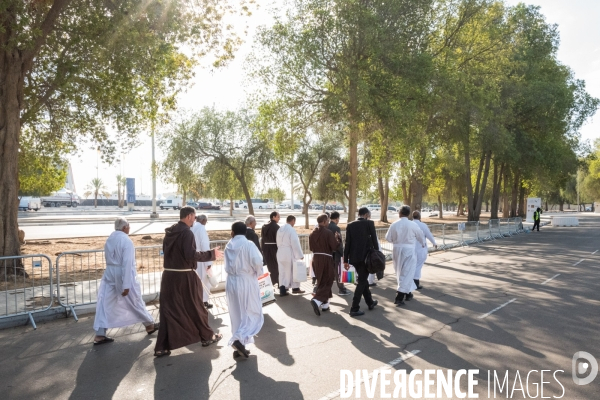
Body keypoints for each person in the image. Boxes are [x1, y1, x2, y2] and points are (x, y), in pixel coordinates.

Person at [154, 206, 223, 357]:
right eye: (194, 216)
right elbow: (190, 255)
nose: (195, 219)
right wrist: (212, 254)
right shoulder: (187, 233)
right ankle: (207, 336)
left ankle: (161, 346)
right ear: (190, 216)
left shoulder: (170, 232)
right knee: (196, 307)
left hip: (169, 276)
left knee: (168, 311)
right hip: (184, 277)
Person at [93, 218, 158, 345]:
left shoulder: (110, 238)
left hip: (110, 273)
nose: (129, 228)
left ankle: (100, 333)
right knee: (134, 300)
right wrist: (126, 284)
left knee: (104, 302)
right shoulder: (126, 241)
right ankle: (149, 324)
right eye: (128, 226)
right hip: (122, 274)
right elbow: (127, 263)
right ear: (124, 228)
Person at [225, 221, 265, 359]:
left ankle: (240, 345)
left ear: (232, 232)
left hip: (231, 282)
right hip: (246, 281)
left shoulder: (229, 245)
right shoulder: (249, 244)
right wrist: (259, 273)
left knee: (236, 314)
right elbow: (258, 262)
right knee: (251, 311)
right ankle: (238, 338)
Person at [385, 206, 425, 306]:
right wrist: (422, 243)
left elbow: (388, 238)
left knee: (400, 272)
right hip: (409, 249)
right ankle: (399, 297)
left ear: (399, 213)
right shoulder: (412, 224)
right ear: (408, 214)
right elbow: (420, 235)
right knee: (407, 272)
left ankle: (408, 293)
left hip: (397, 249)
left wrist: (397, 241)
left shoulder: (394, 224)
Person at [344, 207, 379, 317]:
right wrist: (377, 255)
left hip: (354, 258)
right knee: (362, 281)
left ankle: (370, 302)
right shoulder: (369, 224)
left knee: (363, 280)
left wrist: (345, 260)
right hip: (366, 258)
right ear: (366, 214)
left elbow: (347, 244)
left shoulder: (350, 225)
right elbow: (374, 240)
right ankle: (354, 308)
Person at [309, 214, 341, 315]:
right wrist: (338, 239)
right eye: (327, 221)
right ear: (323, 221)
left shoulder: (312, 233)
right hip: (326, 258)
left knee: (321, 280)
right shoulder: (328, 232)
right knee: (328, 280)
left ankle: (325, 304)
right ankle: (317, 300)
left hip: (316, 259)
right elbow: (335, 246)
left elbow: (310, 248)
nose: (328, 222)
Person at [276, 215, 306, 296]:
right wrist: (300, 255)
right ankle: (295, 288)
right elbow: (295, 243)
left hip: (280, 252)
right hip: (288, 252)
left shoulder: (280, 229)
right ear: (292, 220)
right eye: (294, 221)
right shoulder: (291, 230)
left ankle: (282, 289)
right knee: (293, 270)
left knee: (282, 272)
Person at [191, 214, 213, 309]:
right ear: (204, 221)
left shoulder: (192, 227)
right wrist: (209, 262)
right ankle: (203, 301)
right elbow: (205, 246)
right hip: (201, 258)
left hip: (192, 257)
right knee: (204, 280)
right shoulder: (201, 229)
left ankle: (196, 300)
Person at [411, 211, 437, 290]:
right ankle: (415, 282)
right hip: (420, 248)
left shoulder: (410, 224)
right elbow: (429, 235)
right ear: (419, 217)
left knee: (412, 266)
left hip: (410, 249)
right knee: (418, 266)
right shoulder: (422, 225)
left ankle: (411, 282)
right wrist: (434, 243)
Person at [328, 212, 352, 296]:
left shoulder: (326, 226)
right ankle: (342, 289)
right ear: (337, 218)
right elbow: (339, 242)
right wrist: (343, 253)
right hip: (336, 253)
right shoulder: (336, 228)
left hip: (328, 253)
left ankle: (319, 290)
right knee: (338, 272)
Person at [261, 211, 280, 286]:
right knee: (276, 265)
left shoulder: (264, 226)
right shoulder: (276, 226)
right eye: (278, 217)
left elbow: (262, 238)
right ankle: (277, 282)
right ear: (273, 217)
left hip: (266, 248)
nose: (279, 218)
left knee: (269, 266)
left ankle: (271, 282)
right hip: (274, 248)